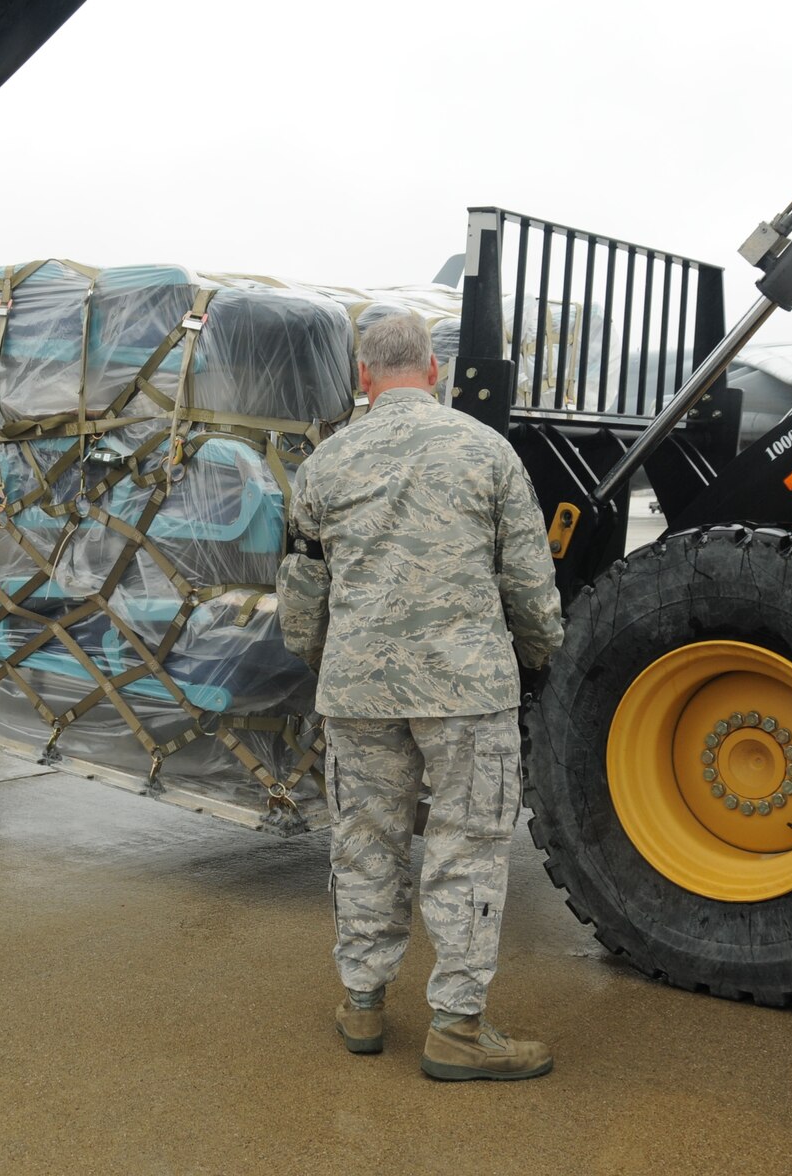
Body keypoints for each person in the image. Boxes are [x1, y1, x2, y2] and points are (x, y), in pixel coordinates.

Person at [277, 312, 564, 1081]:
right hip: (466, 689)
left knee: (364, 845)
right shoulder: (487, 452)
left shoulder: (325, 467)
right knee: (466, 849)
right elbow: (529, 581)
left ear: (363, 378)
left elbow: (302, 591)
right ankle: (458, 1027)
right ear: (433, 371)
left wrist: (324, 659)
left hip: (359, 690)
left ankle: (363, 1005)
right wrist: (539, 654)